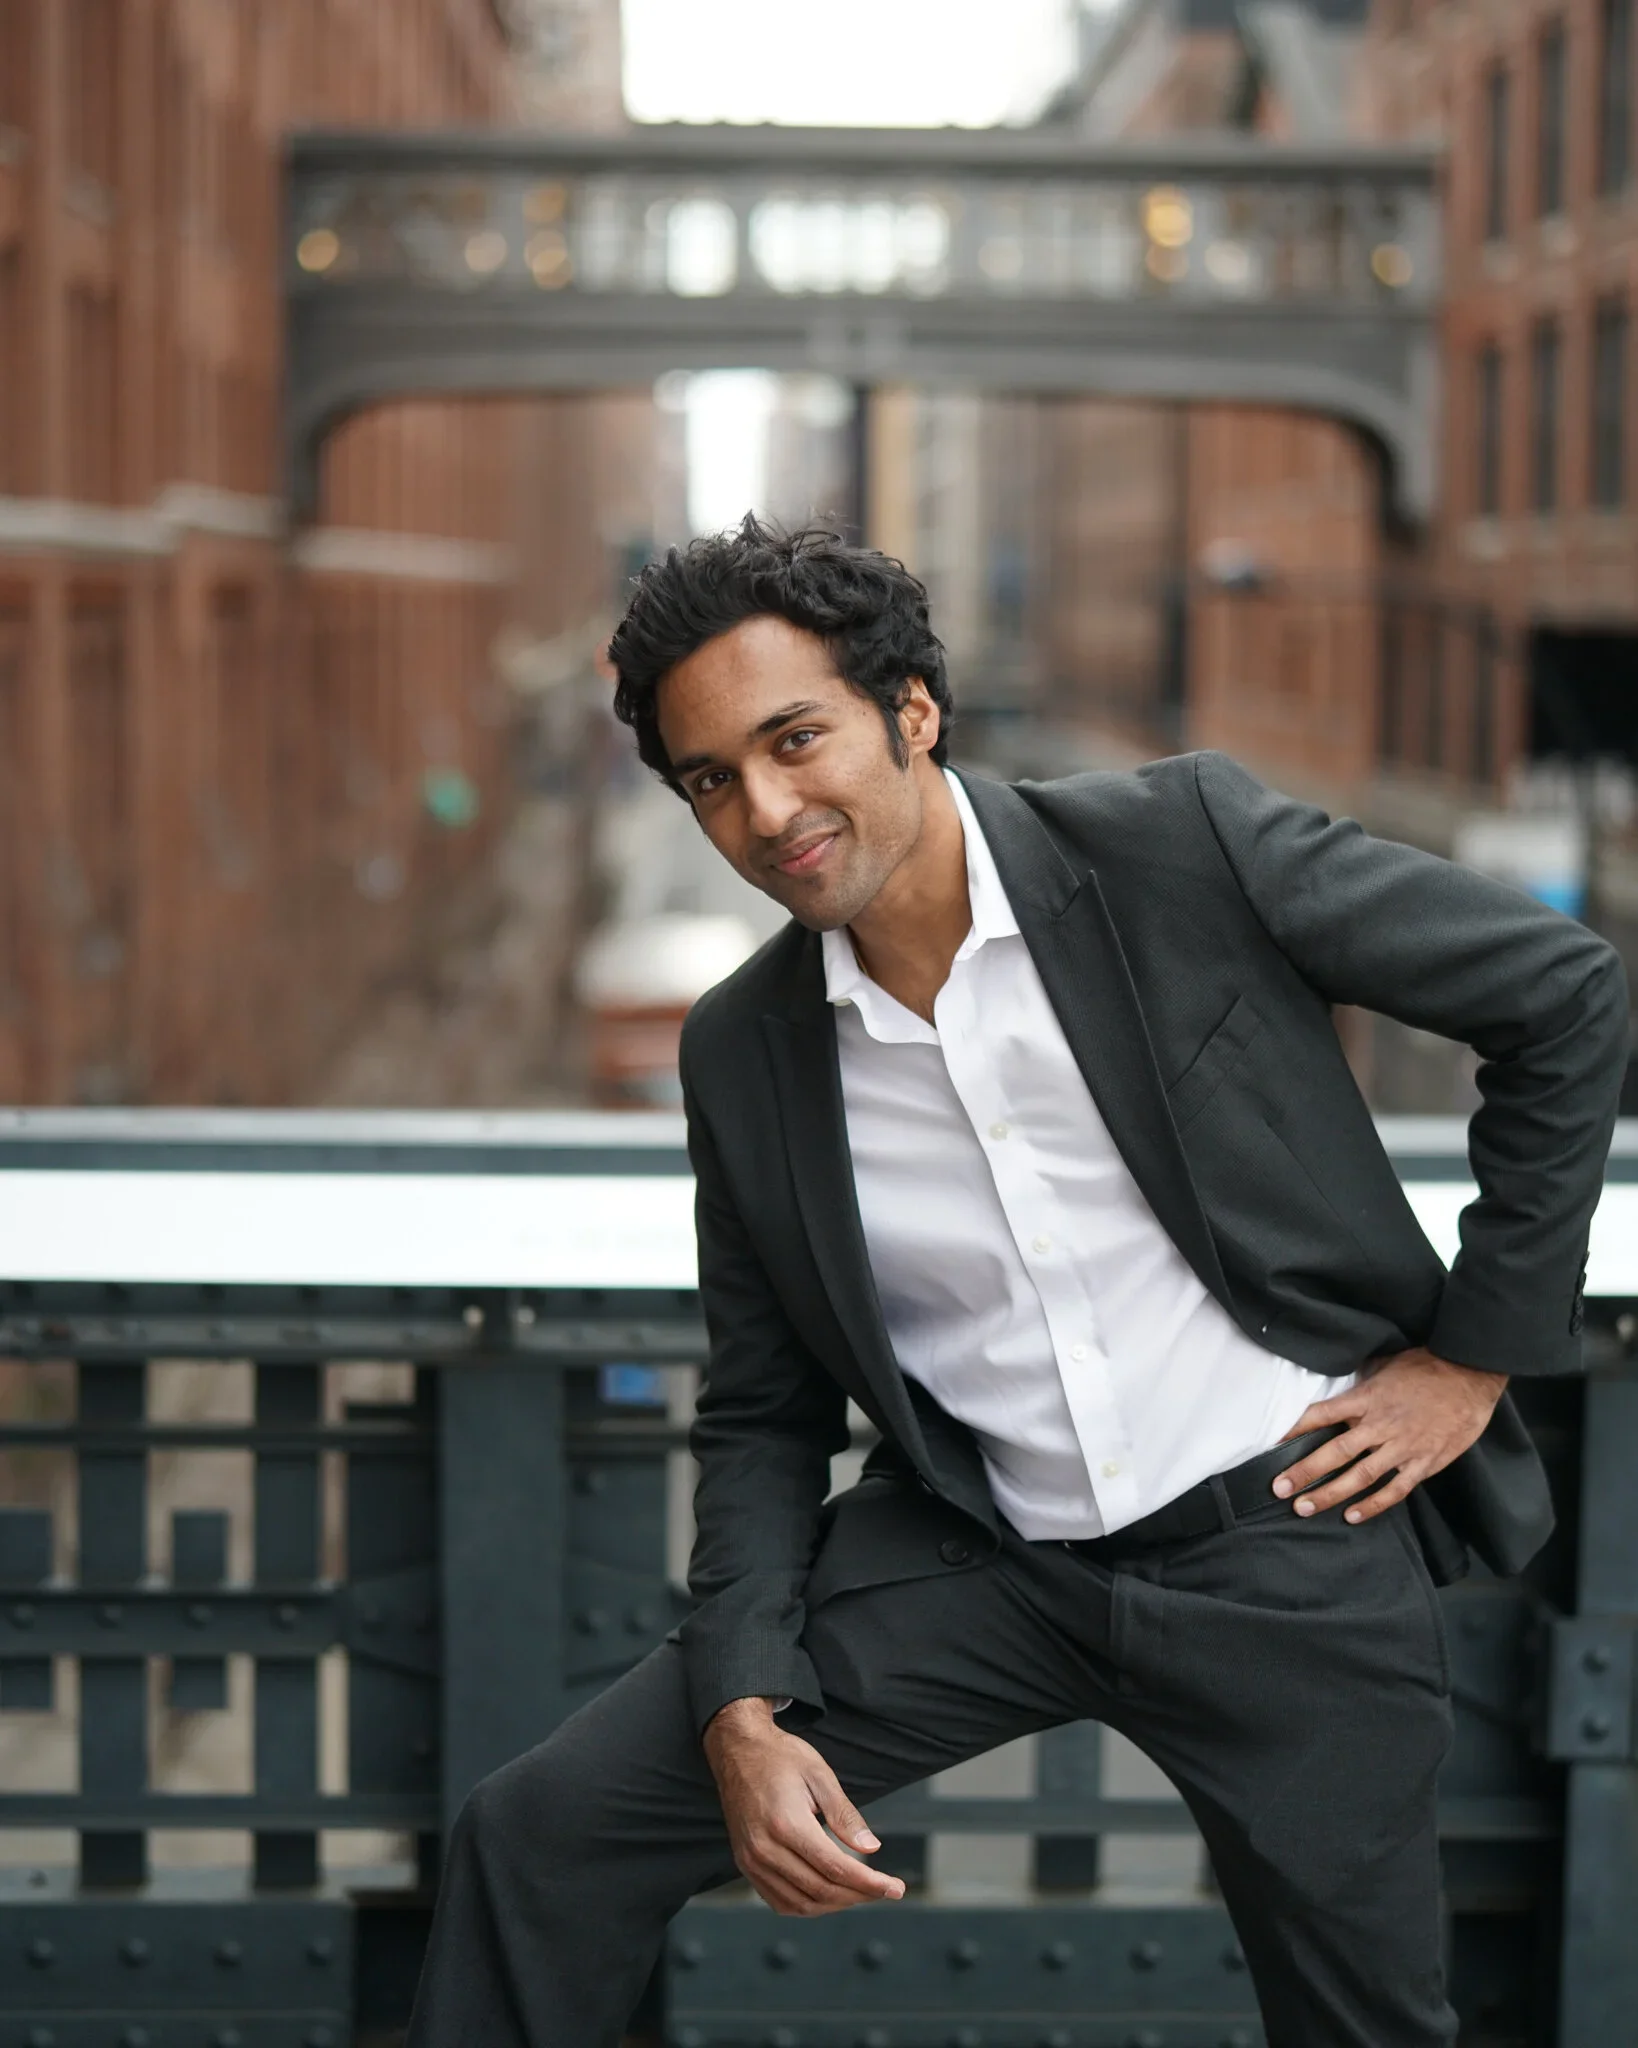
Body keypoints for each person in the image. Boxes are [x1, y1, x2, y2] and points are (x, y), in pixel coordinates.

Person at [406, 519, 1626, 2048]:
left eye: (796, 739)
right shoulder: (743, 1048)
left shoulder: (1179, 845)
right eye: (710, 780)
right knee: (538, 1839)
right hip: (984, 1562)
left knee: (1365, 2026)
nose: (766, 812)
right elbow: (765, 1413)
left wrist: (1473, 1357)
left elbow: (1560, 996)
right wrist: (740, 1701)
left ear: (911, 710)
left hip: (1286, 1545)